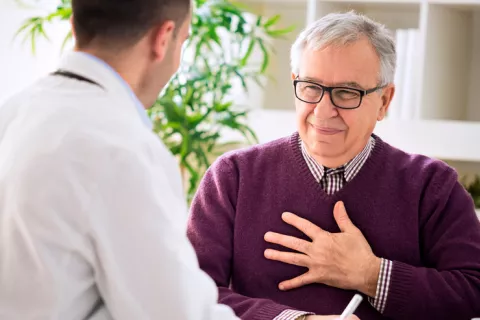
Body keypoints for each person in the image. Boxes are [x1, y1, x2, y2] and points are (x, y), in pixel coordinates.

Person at [187, 10, 480, 320]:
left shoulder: (431, 187)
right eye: (311, 88)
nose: (324, 111)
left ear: (384, 101)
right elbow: (192, 292)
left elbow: (473, 291)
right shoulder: (233, 177)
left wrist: (371, 275)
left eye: (346, 93)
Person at [0, 0, 240, 319]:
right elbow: (174, 314)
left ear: (75, 25)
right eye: (183, 41)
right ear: (163, 38)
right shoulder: (124, 148)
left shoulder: (13, 111)